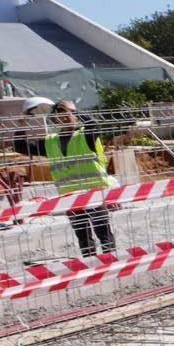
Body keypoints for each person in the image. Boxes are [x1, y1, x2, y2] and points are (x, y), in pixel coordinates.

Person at [41, 100, 117, 256]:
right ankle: (91, 264)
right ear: (55, 120)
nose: (65, 118)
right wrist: (23, 121)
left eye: (68, 114)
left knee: (102, 231)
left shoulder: (85, 135)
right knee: (82, 236)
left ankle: (110, 261)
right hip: (70, 196)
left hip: (93, 192)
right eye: (61, 115)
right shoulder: (51, 142)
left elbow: (94, 124)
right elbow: (21, 146)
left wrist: (74, 110)